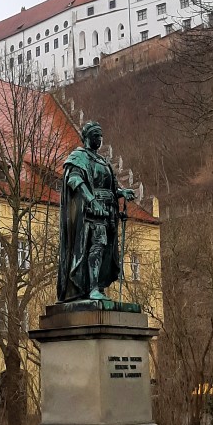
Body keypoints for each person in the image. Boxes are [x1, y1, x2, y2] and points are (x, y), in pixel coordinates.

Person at [57, 120, 135, 302]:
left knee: (107, 250)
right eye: (95, 136)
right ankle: (91, 289)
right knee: (97, 245)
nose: (99, 139)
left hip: (109, 211)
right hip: (92, 211)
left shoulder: (103, 161)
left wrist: (122, 192)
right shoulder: (79, 156)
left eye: (100, 136)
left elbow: (110, 187)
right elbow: (74, 180)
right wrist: (92, 201)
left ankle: (98, 285)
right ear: (86, 137)